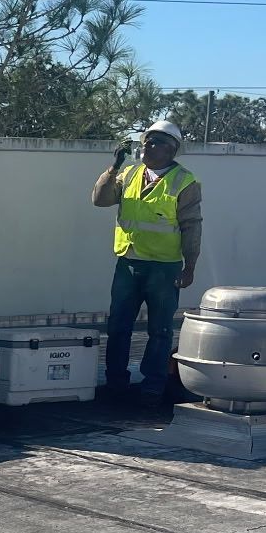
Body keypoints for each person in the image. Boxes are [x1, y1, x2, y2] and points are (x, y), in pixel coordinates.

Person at [92, 120, 202, 402]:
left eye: (156, 142)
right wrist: (113, 168)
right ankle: (116, 382)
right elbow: (100, 200)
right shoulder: (128, 173)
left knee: (160, 329)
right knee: (118, 326)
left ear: (172, 150)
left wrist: (190, 266)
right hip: (128, 263)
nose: (147, 146)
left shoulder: (184, 181)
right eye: (146, 141)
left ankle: (153, 385)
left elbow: (192, 225)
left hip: (164, 268)